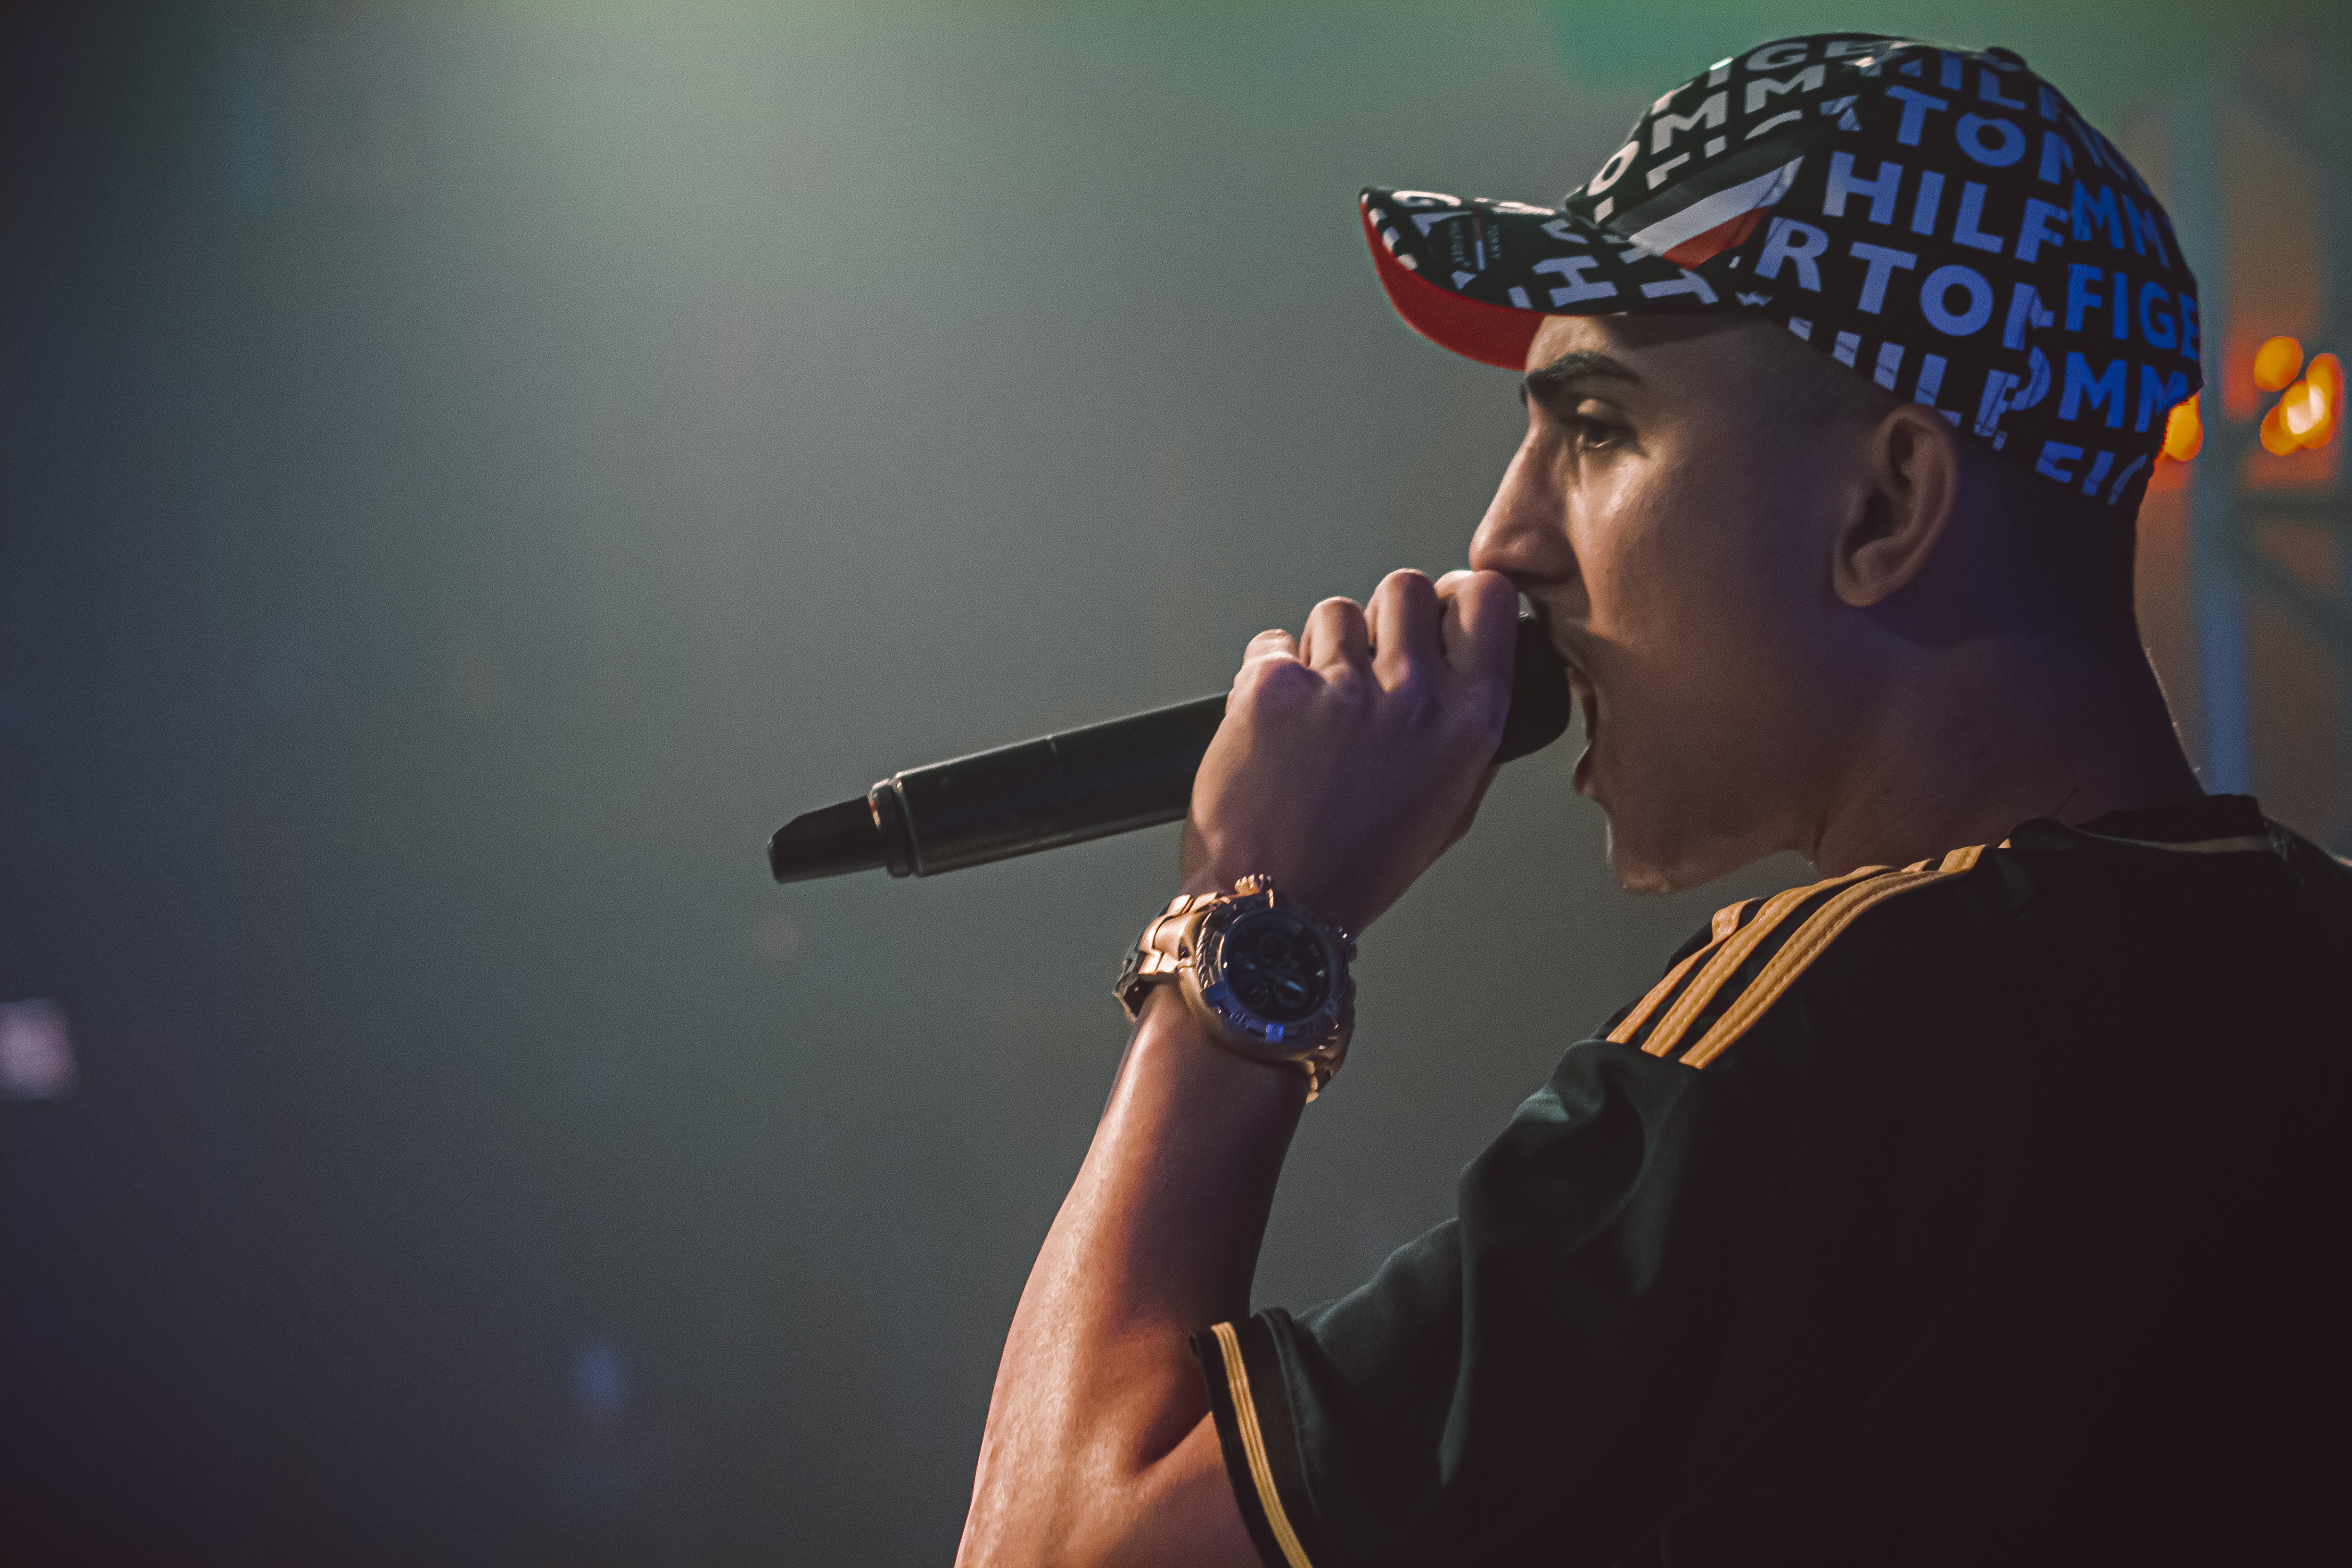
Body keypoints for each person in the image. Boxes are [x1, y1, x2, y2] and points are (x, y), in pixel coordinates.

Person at [955, 34, 2350, 1567]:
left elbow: (1062, 1542)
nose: (1499, 543)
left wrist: (1246, 920)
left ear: (1884, 504)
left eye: (1596, 426)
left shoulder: (1830, 1041)